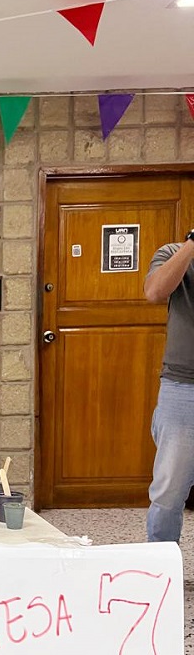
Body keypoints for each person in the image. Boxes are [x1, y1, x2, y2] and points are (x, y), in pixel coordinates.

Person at [144, 228, 194, 541]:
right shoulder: (172, 252)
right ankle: (160, 571)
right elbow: (154, 292)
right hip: (183, 387)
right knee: (169, 490)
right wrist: (191, 245)